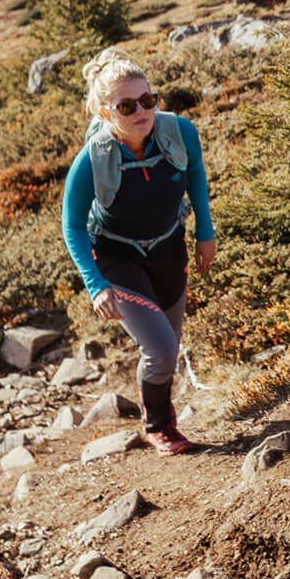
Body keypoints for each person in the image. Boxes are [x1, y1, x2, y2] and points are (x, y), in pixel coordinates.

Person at [61, 48, 216, 455]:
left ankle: (160, 407)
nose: (141, 111)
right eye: (126, 105)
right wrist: (95, 285)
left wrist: (205, 230)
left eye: (148, 100)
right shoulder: (91, 159)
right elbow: (72, 225)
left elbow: (196, 174)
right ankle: (158, 425)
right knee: (162, 349)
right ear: (104, 111)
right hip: (118, 258)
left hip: (169, 248)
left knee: (168, 343)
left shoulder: (180, 131)